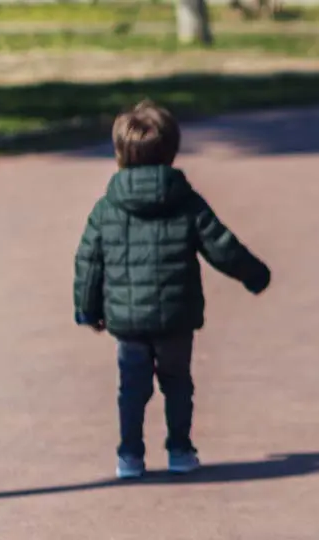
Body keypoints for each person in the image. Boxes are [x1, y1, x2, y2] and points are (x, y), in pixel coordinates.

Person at [73, 100, 271, 479]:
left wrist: (87, 309)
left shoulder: (106, 208)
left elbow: (88, 260)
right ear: (172, 151)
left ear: (119, 154)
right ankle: (180, 449)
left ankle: (129, 455)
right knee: (177, 383)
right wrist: (254, 274)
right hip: (176, 318)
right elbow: (221, 245)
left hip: (127, 320)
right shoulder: (187, 203)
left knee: (132, 388)